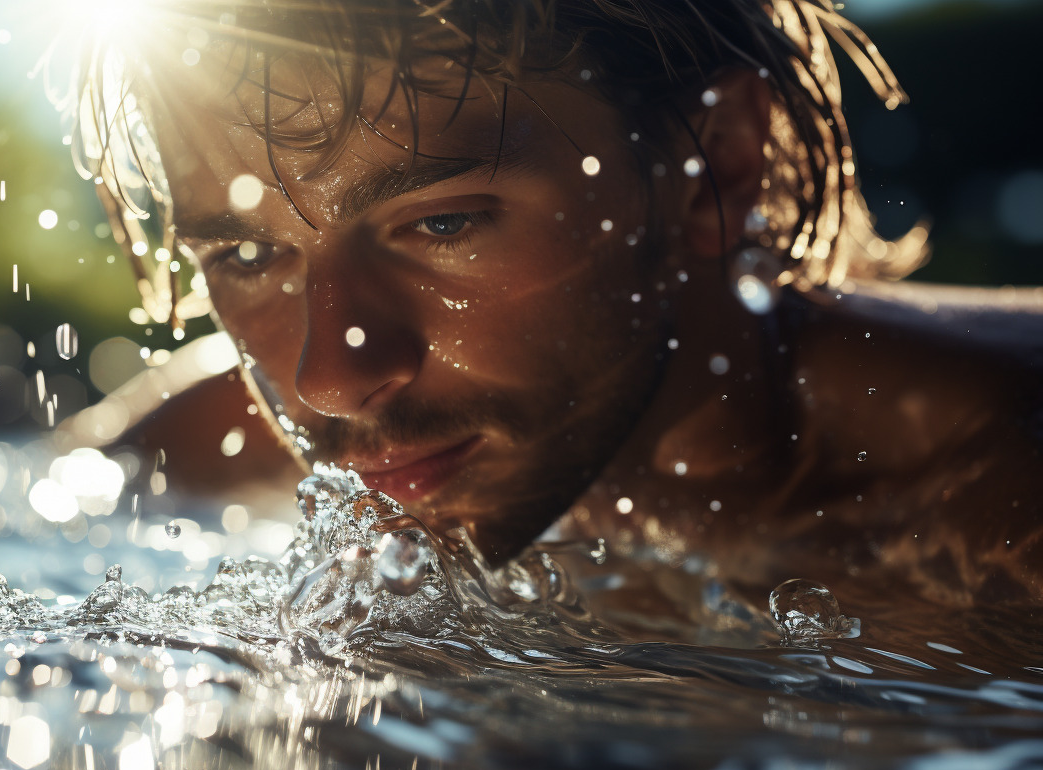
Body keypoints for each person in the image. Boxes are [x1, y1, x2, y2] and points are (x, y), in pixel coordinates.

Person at [69, 0, 1043, 605]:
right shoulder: (209, 439)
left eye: (442, 224)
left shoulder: (1001, 521)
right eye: (245, 252)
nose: (329, 377)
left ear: (712, 161)